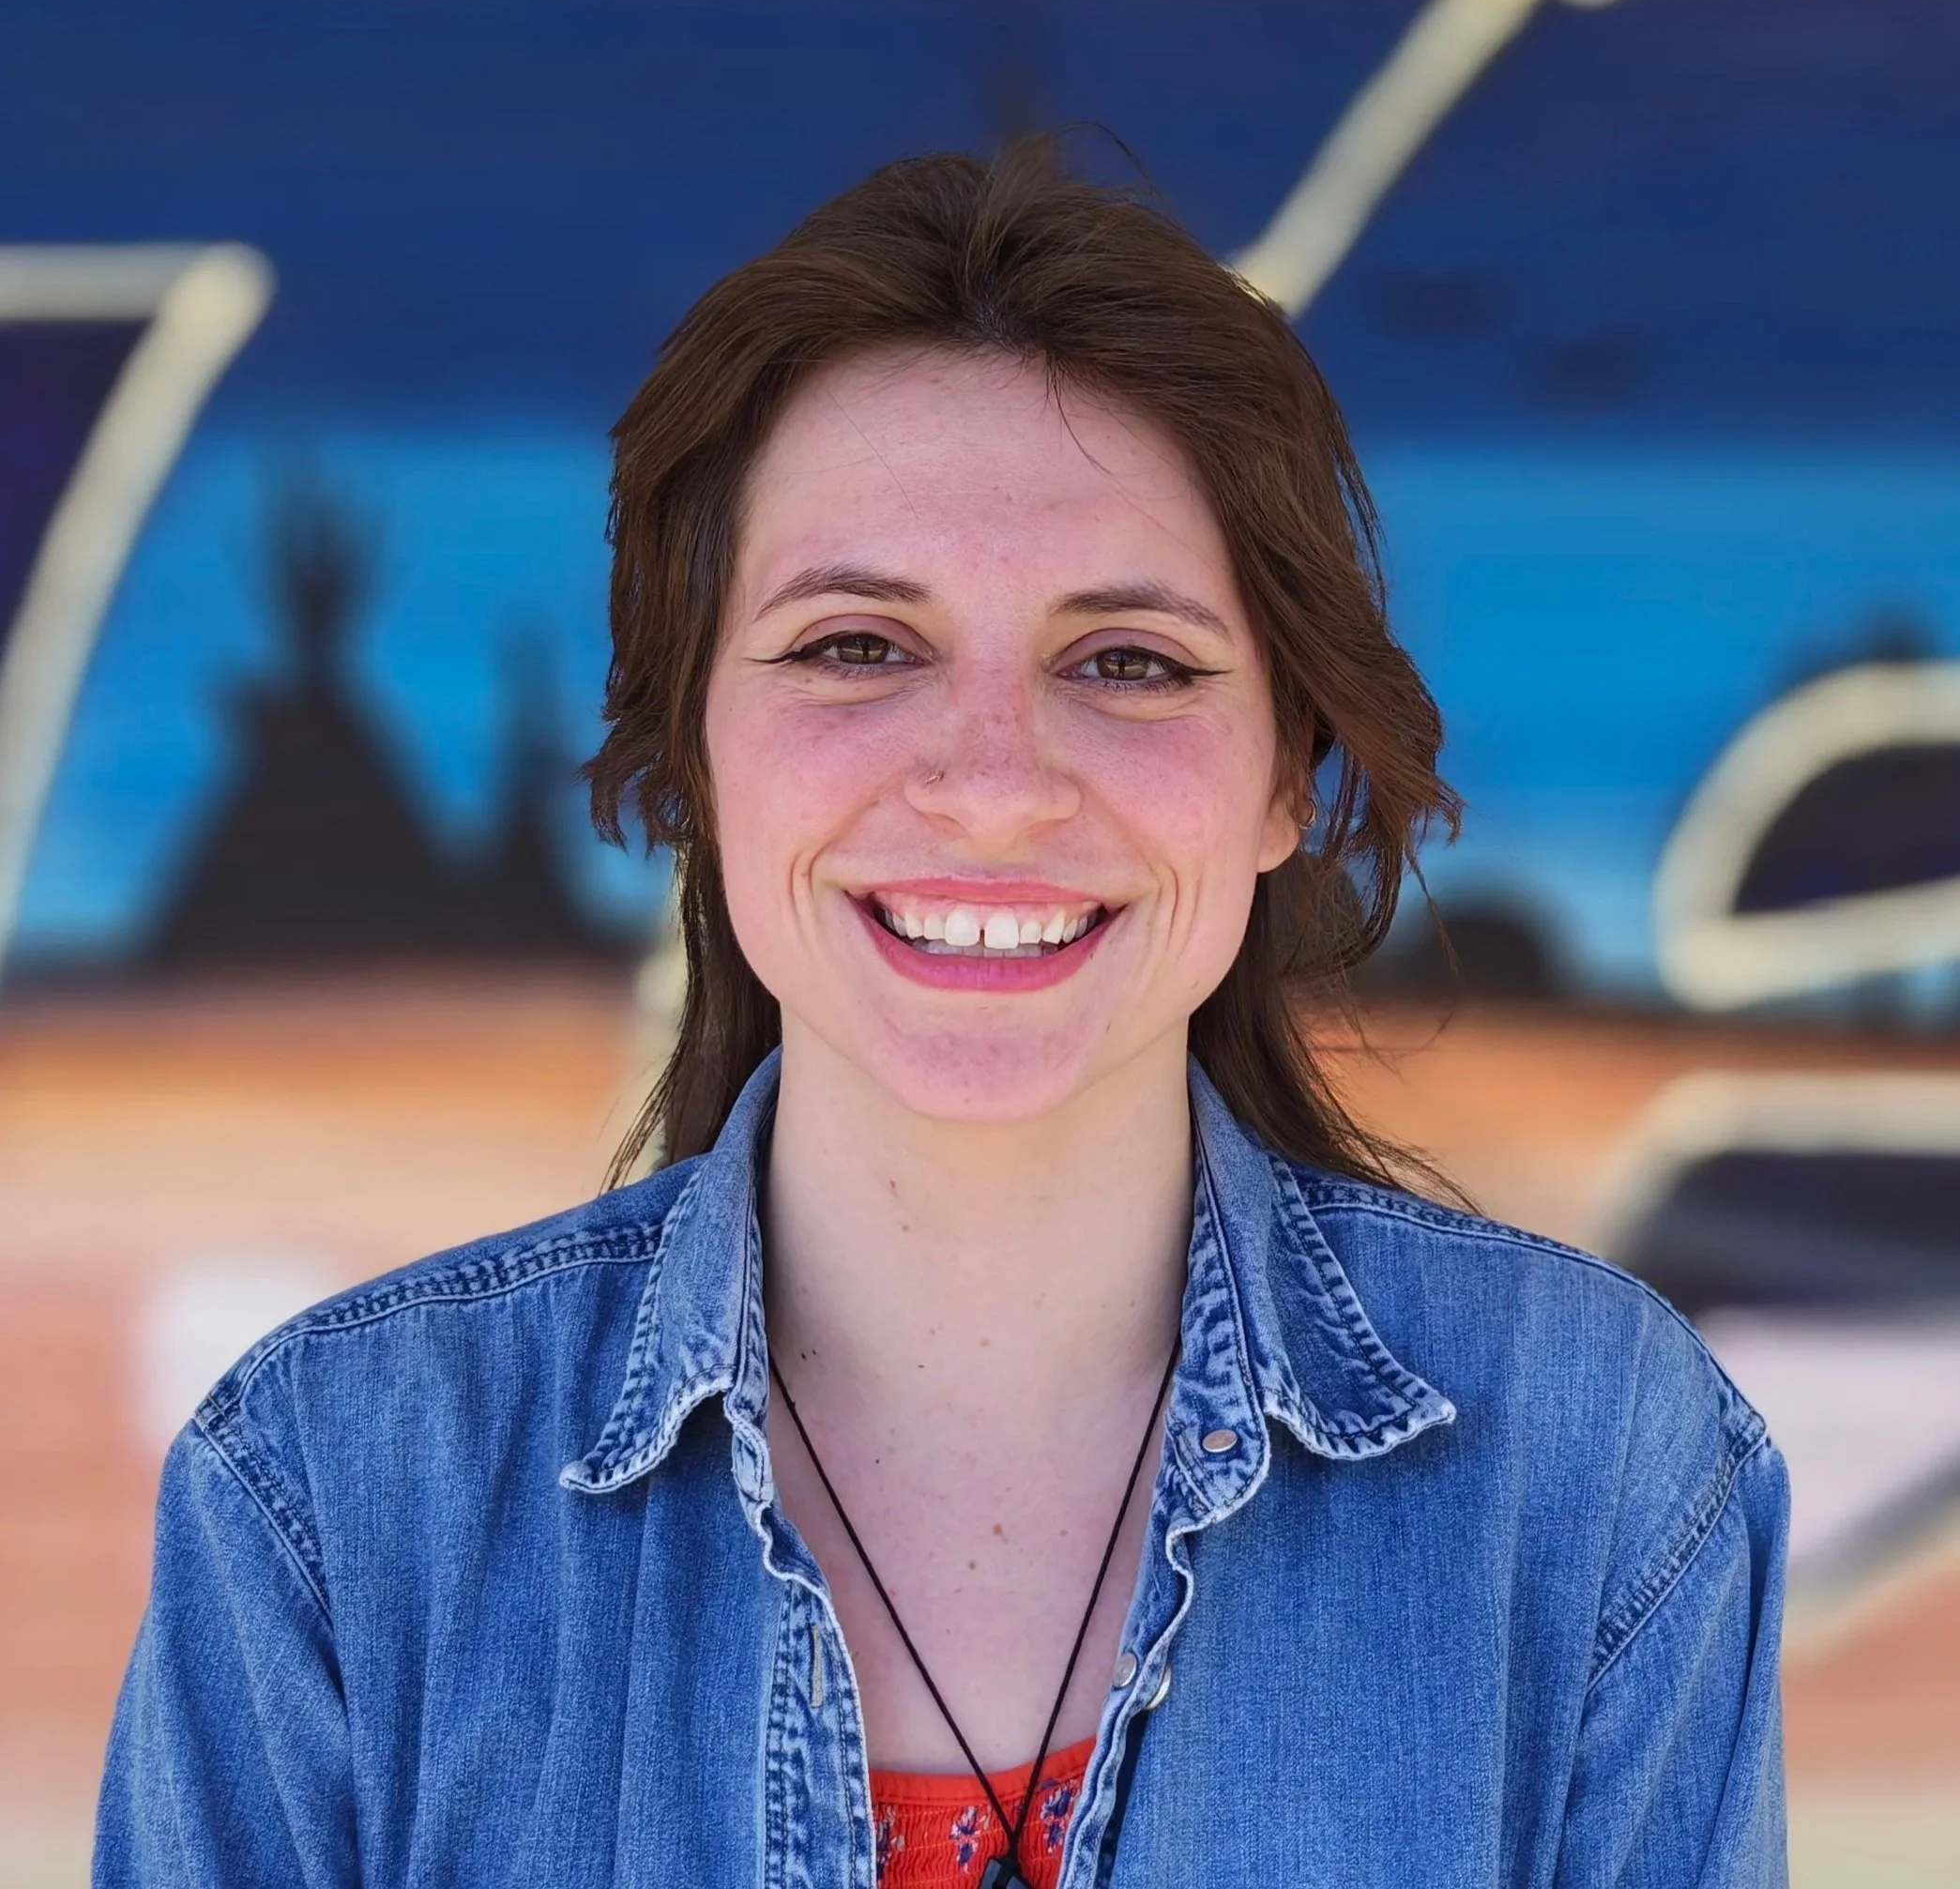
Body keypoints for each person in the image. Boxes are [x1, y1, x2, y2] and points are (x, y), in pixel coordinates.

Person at [96, 146, 1787, 1889]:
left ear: (1287, 770)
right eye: (854, 646)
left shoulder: (1591, 1477)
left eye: (1127, 661)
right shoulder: (333, 1506)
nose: (991, 787)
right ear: (695, 755)